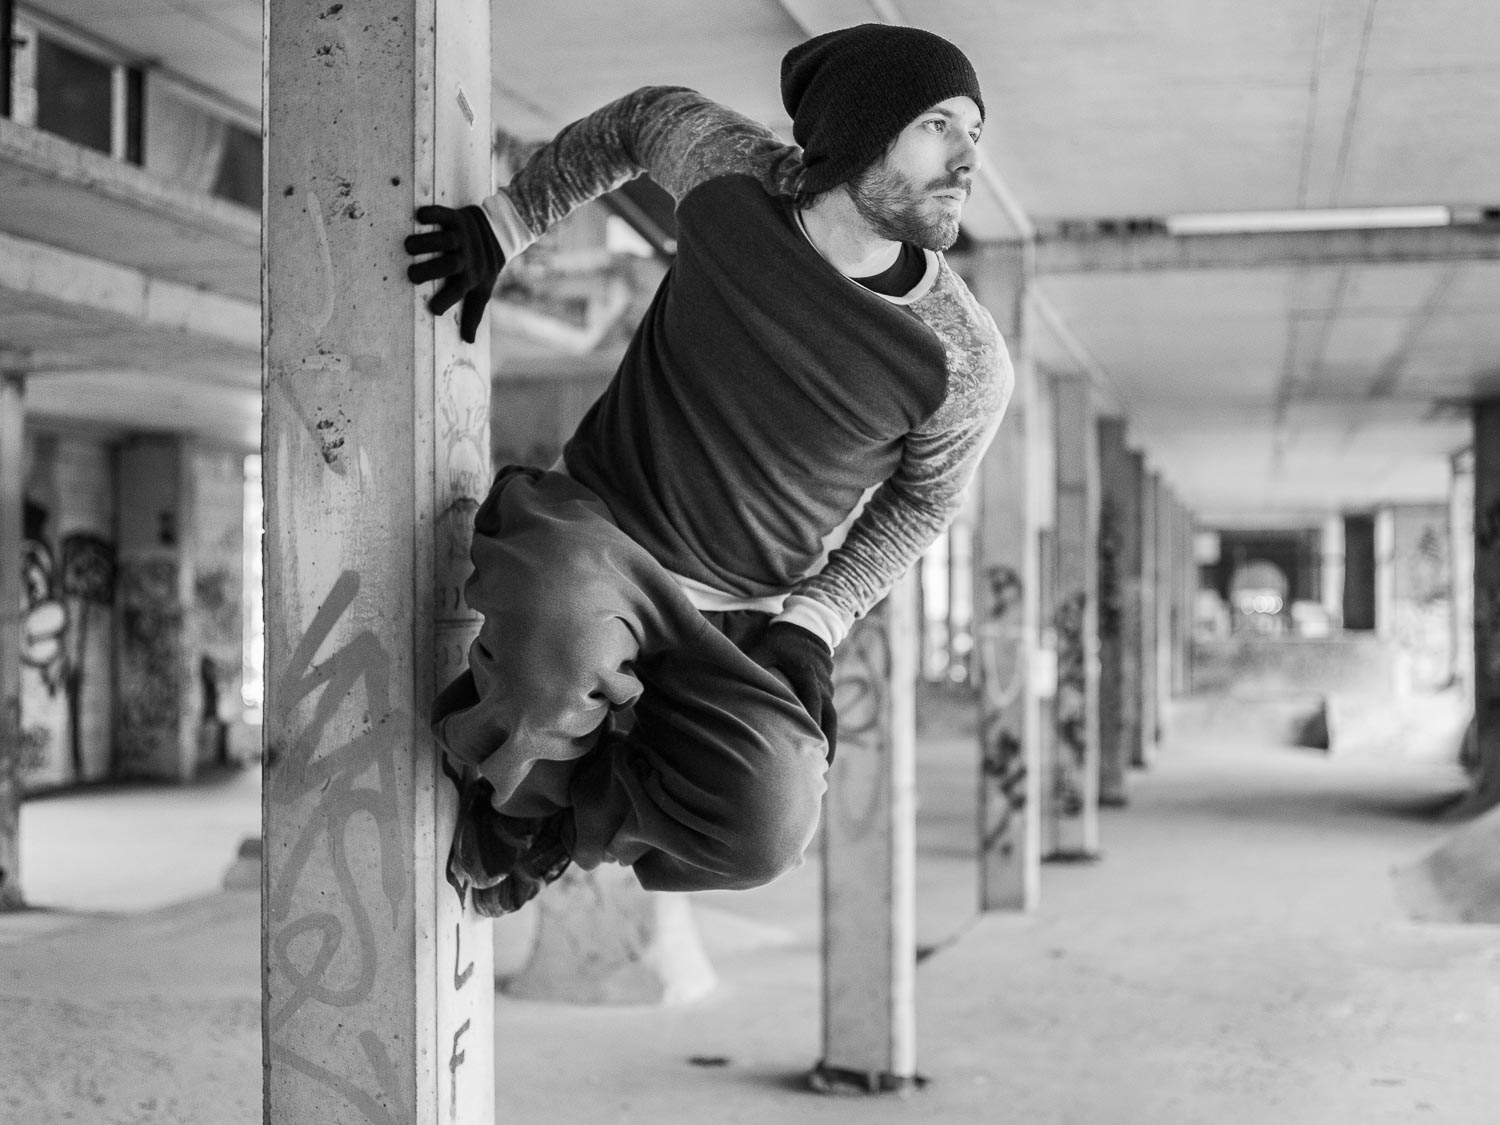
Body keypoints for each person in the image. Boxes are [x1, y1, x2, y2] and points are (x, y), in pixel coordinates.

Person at [405, 23, 1013, 916]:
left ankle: (572, 818)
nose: (967, 158)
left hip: (744, 610)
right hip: (597, 532)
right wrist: (504, 225)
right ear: (855, 133)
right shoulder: (733, 177)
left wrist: (816, 619)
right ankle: (520, 804)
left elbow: (923, 505)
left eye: (975, 132)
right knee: (557, 644)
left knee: (768, 822)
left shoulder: (962, 357)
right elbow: (635, 121)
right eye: (938, 125)